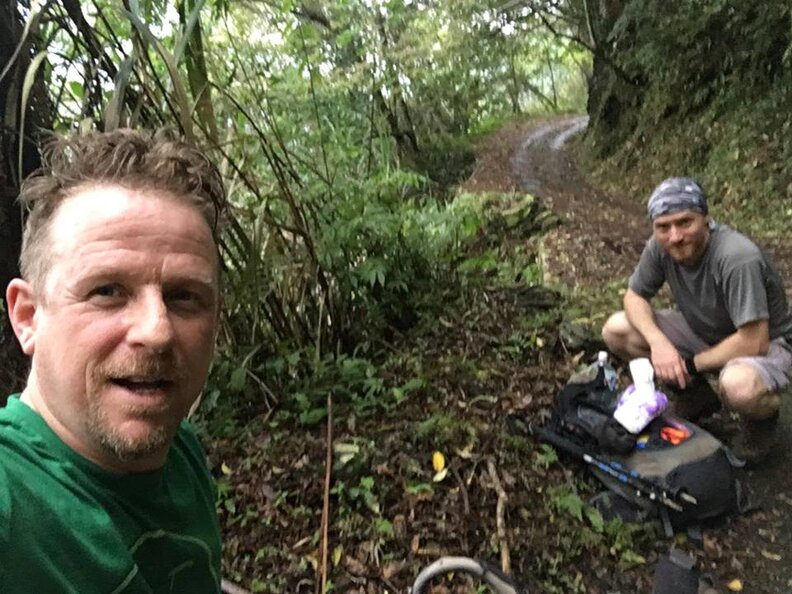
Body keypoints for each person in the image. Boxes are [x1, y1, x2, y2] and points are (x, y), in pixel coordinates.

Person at [0, 129, 226, 592]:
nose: (157, 331)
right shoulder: (14, 495)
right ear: (27, 318)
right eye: (107, 291)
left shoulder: (178, 447)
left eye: (184, 296)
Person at [602, 177, 792, 464]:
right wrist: (659, 345)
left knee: (739, 386)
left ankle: (762, 420)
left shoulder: (736, 258)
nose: (675, 236)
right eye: (663, 227)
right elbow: (634, 297)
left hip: (767, 344)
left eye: (685, 222)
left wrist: (690, 364)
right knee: (617, 329)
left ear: (705, 219)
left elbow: (754, 340)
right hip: (705, 330)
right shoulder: (660, 246)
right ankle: (696, 396)